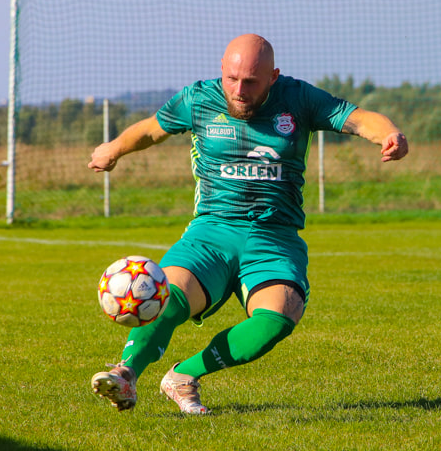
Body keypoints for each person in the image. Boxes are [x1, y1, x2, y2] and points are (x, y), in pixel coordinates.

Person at [88, 33, 408, 413]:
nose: (239, 90)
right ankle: (126, 374)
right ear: (221, 71)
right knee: (168, 294)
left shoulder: (299, 98)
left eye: (251, 82)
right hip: (212, 231)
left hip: (275, 236)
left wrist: (388, 133)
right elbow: (152, 128)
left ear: (273, 76)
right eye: (232, 79)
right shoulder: (199, 99)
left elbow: (358, 118)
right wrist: (114, 148)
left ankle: (183, 376)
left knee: (278, 318)